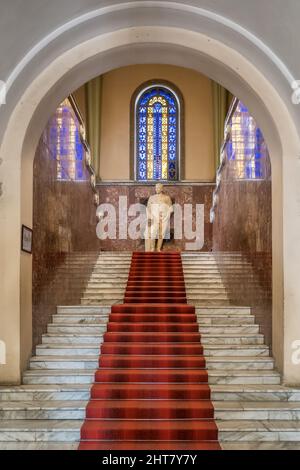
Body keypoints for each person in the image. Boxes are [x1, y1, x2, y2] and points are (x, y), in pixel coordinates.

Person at [145, 183, 173, 252]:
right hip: (154, 218)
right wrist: (150, 216)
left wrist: (167, 215)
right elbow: (148, 208)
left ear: (162, 189)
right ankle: (152, 248)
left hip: (163, 218)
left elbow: (171, 208)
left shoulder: (166, 198)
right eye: (156, 188)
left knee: (161, 234)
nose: (156, 189)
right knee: (152, 233)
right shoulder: (152, 197)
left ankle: (158, 248)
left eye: (158, 188)